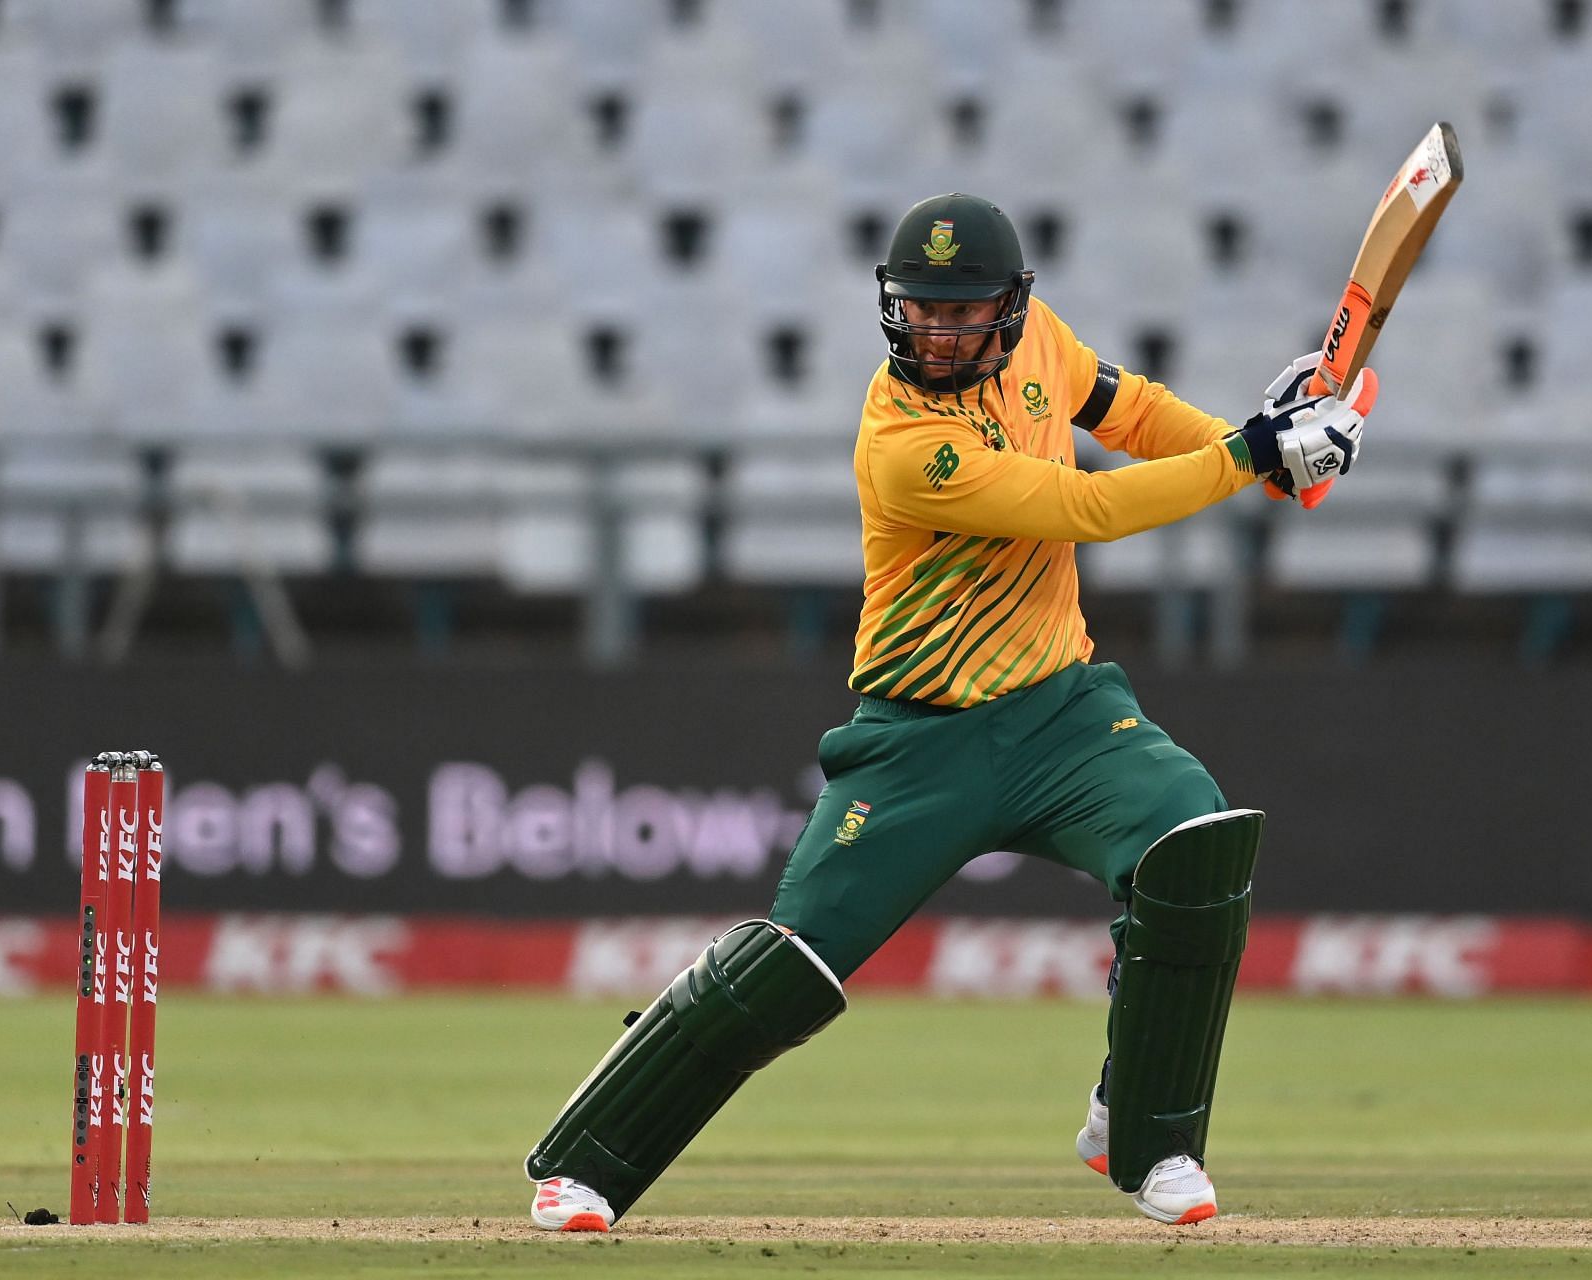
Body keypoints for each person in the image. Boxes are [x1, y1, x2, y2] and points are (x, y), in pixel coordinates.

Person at [523, 193, 1377, 1230]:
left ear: (1012, 308)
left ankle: (1146, 1129)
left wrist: (1269, 448)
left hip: (1063, 712)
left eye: (963, 311)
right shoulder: (903, 443)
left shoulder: (1043, 343)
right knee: (793, 964)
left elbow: (1130, 412)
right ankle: (589, 1160)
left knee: (1191, 840)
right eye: (920, 310)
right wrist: (1251, 452)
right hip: (917, 745)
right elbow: (1089, 507)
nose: (939, 331)